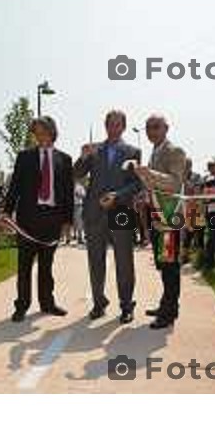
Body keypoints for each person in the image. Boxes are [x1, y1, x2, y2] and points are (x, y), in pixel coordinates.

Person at [73, 109, 142, 324]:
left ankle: (126, 305)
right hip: (94, 212)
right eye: (109, 124)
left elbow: (137, 183)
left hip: (121, 210)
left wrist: (118, 195)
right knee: (95, 261)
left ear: (123, 126)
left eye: (117, 124)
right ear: (105, 126)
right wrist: (82, 157)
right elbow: (76, 174)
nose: (113, 128)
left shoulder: (133, 151)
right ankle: (98, 303)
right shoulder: (94, 150)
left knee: (124, 260)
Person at [3, 116, 73, 322]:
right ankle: (21, 305)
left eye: (43, 131)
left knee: (46, 265)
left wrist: (67, 221)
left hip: (52, 219)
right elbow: (14, 186)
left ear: (52, 132)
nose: (39, 136)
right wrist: (7, 211)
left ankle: (47, 303)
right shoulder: (24, 157)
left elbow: (68, 193)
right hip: (27, 219)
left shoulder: (64, 160)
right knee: (24, 266)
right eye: (36, 133)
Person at [133, 114, 186, 329]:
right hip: (157, 214)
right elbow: (154, 184)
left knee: (169, 266)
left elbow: (175, 183)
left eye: (155, 127)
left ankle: (169, 311)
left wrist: (150, 173)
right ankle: (167, 303)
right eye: (148, 128)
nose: (151, 131)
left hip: (169, 215)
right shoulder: (155, 151)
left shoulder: (175, 151)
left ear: (166, 128)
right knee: (163, 265)